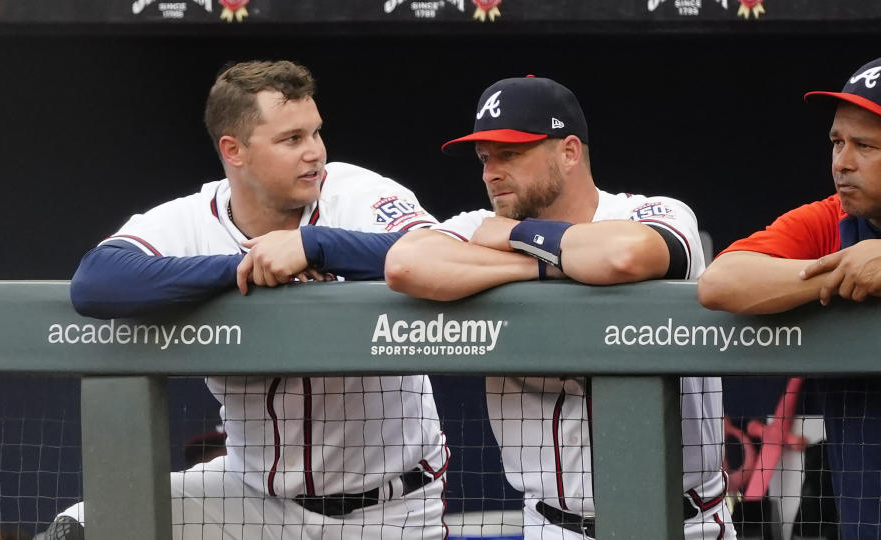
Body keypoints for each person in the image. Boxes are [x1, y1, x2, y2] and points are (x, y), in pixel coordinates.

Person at [47, 60, 449, 540]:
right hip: (250, 501)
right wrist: (240, 269)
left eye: (316, 134)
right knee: (85, 526)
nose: (314, 153)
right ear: (233, 150)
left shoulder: (354, 193)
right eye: (291, 140)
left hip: (388, 506)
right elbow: (95, 281)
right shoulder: (193, 218)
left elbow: (441, 251)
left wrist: (315, 246)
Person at [383, 75, 734, 539]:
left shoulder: (652, 211)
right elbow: (405, 264)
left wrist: (516, 239)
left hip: (683, 523)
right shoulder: (476, 225)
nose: (491, 172)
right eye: (485, 158)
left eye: (510, 154)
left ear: (569, 152)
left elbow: (625, 255)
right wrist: (545, 269)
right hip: (553, 525)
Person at [698, 57, 881, 539]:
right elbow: (721, 282)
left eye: (865, 146)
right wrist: (843, 273)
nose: (842, 162)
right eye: (838, 143)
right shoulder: (830, 223)